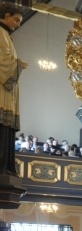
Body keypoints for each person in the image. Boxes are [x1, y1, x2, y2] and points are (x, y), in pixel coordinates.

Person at [0, 7, 24, 183]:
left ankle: (6, 166)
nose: (18, 24)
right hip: (2, 92)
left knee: (6, 129)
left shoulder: (7, 35)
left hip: (7, 95)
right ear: (6, 15)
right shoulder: (0, 33)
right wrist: (18, 65)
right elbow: (3, 61)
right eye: (16, 20)